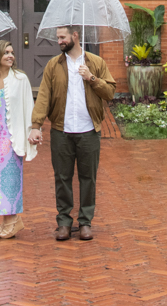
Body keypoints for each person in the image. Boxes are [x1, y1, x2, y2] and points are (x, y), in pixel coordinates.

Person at [28, 26, 116, 241]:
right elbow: (44, 97)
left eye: (62, 37)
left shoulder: (95, 62)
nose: (59, 41)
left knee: (89, 178)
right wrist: (36, 125)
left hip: (89, 131)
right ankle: (64, 222)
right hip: (61, 131)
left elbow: (110, 93)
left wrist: (92, 78)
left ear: (75, 36)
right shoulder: (53, 65)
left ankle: (85, 222)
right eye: (58, 37)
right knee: (62, 178)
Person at [0, 40, 35, 239]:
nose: (10, 56)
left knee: (10, 181)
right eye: (6, 53)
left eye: (12, 52)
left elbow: (29, 107)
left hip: (12, 139)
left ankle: (13, 221)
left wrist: (32, 131)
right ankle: (7, 222)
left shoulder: (20, 79)